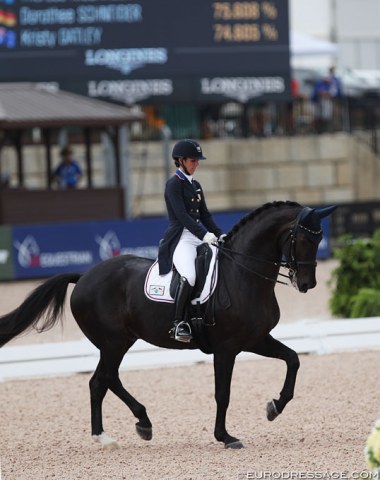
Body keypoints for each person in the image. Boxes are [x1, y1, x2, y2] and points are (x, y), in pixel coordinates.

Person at [158, 139, 225, 343]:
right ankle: (178, 323)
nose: (196, 164)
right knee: (190, 275)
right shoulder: (173, 184)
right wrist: (204, 235)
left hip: (198, 235)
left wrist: (220, 234)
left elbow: (205, 215)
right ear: (180, 161)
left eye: (197, 160)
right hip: (182, 238)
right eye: (192, 160)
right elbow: (182, 216)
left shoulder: (195, 185)